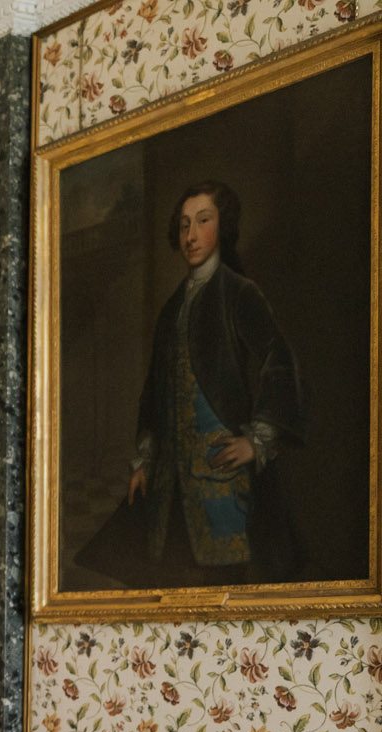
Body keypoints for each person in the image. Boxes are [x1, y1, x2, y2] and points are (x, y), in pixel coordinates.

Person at [121, 180, 305, 584]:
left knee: (226, 593)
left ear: (223, 226)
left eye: (203, 221)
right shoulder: (171, 309)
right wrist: (145, 460)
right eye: (185, 224)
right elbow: (154, 389)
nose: (191, 235)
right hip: (171, 489)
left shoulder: (239, 293)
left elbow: (278, 358)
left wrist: (256, 439)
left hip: (222, 481)